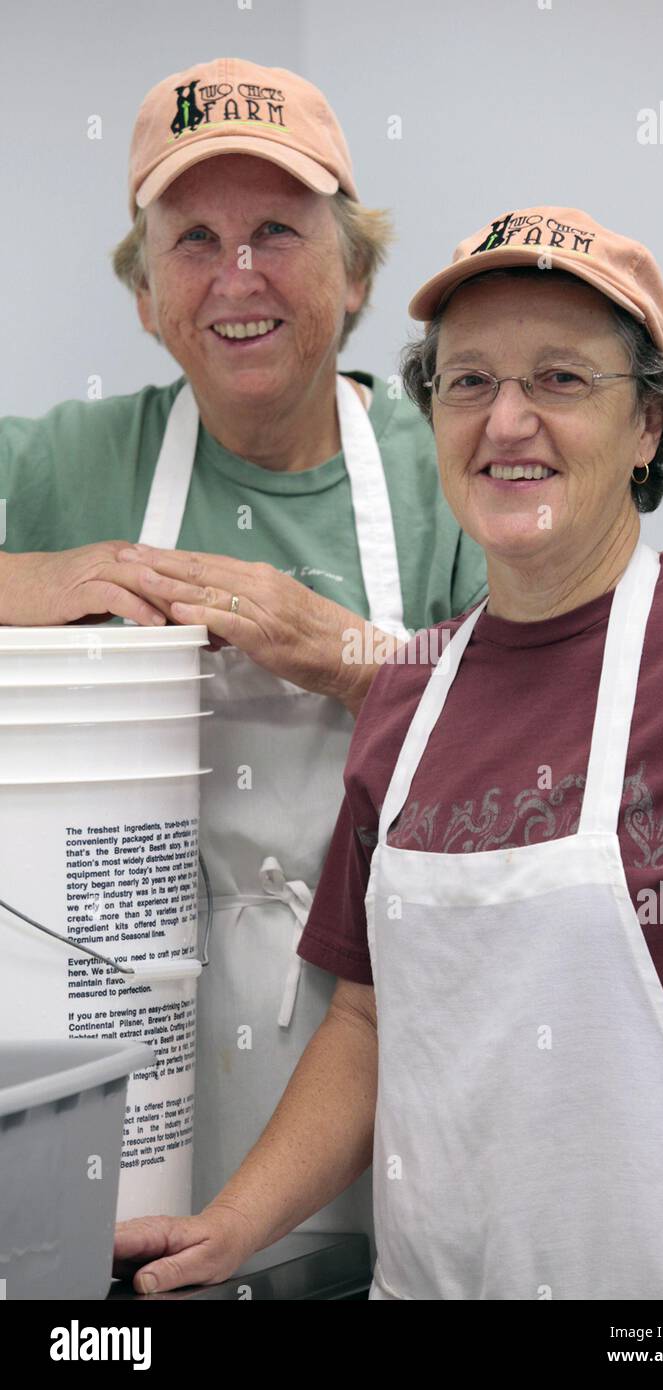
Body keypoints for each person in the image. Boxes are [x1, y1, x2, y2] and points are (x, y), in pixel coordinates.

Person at [113, 204, 663, 1301]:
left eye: (562, 380)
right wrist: (229, 1226)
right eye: (469, 382)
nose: (507, 420)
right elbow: (371, 1017)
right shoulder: (406, 698)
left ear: (650, 425)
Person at [0, 58, 487, 1243]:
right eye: (193, 241)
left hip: (390, 1052)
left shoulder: (454, 466)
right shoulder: (69, 462)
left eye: (278, 230)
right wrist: (24, 579)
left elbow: (569, 718)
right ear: (144, 297)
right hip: (125, 1067)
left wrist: (358, 657)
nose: (238, 277)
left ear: (357, 271)